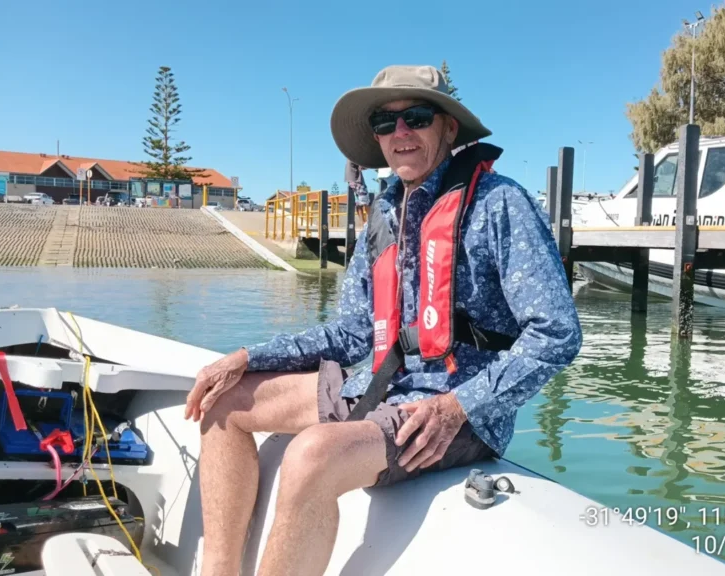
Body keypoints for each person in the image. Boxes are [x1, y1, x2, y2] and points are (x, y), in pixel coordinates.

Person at [184, 64, 582, 576]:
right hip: (379, 387)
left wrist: (458, 407)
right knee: (222, 404)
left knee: (310, 457)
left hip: (455, 411)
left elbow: (557, 333)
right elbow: (351, 331)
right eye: (385, 123)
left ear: (448, 127)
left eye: (416, 117)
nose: (400, 133)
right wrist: (246, 358)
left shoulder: (500, 204)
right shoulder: (384, 215)